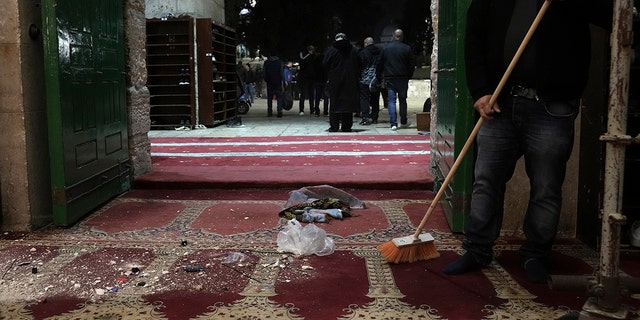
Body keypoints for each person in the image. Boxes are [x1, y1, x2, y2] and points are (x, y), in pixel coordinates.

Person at [442, 0, 613, 283]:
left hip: (551, 107)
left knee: (546, 187)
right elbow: (474, 40)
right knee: (486, 181)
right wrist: (481, 91)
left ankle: (536, 254)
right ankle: (478, 249)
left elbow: (610, 15)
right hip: (500, 104)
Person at [323, 33, 361, 132]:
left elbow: (325, 64)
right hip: (350, 80)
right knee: (348, 104)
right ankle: (347, 126)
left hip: (335, 81)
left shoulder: (331, 50)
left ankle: (334, 126)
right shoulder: (353, 50)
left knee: (334, 103)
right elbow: (360, 64)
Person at [379, 29, 415, 130]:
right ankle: (403, 121)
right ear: (402, 36)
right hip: (403, 77)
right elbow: (412, 64)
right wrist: (409, 75)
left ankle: (393, 123)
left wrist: (380, 75)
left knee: (391, 101)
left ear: (393, 36)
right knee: (403, 100)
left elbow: (380, 63)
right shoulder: (407, 48)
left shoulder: (386, 48)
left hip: (390, 77)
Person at [358, 37, 381, 125]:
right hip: (376, 78)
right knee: (375, 98)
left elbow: (360, 64)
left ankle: (365, 117)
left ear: (366, 43)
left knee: (364, 98)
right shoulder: (379, 51)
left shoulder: (363, 52)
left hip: (364, 78)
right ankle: (375, 117)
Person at [298, 45, 319, 116]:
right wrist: (309, 55)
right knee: (303, 94)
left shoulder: (314, 56)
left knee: (311, 94)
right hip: (304, 77)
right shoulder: (303, 54)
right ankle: (301, 110)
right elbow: (302, 61)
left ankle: (312, 110)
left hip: (312, 78)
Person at [263, 50, 285, 117]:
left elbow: (264, 73)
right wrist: (283, 80)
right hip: (278, 82)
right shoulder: (279, 62)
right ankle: (279, 111)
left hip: (269, 82)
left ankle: (270, 111)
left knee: (270, 97)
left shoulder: (266, 62)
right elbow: (281, 72)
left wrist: (266, 79)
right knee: (279, 97)